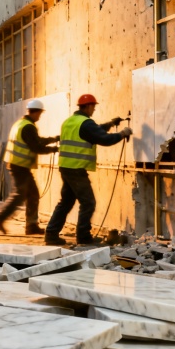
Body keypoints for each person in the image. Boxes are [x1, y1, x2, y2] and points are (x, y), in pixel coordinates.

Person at [45, 94, 132, 246]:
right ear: (88, 106)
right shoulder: (86, 123)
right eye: (93, 107)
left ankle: (51, 234)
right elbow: (104, 139)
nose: (94, 110)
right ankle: (83, 237)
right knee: (88, 203)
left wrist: (110, 123)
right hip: (76, 169)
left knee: (66, 202)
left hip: (66, 167)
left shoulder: (70, 121)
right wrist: (122, 134)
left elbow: (94, 131)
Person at [0, 99, 59, 236]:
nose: (40, 116)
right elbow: (36, 147)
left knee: (33, 194)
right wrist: (54, 149)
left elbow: (36, 140)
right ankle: (0, 218)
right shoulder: (28, 127)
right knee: (20, 195)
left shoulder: (22, 124)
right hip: (20, 166)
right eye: (40, 113)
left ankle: (31, 225)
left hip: (18, 165)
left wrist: (54, 139)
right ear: (36, 112)